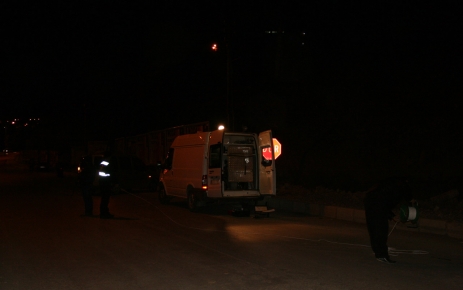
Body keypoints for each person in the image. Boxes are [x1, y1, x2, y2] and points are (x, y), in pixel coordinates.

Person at [364, 176, 414, 264]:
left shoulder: (393, 185)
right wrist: (392, 216)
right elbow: (382, 205)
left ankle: (379, 253)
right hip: (375, 204)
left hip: (370, 201)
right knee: (380, 231)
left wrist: (391, 215)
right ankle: (382, 255)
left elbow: (383, 203)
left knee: (374, 229)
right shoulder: (398, 190)